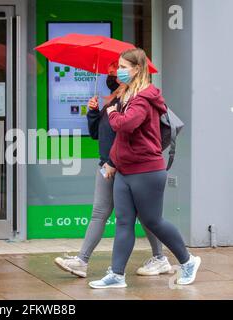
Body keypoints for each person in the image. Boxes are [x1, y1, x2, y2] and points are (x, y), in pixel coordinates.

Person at [88, 48, 201, 289]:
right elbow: (122, 140)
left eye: (123, 67)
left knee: (153, 221)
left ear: (137, 69)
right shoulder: (126, 95)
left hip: (147, 170)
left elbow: (126, 125)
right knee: (124, 222)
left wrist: (111, 112)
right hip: (125, 171)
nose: (118, 71)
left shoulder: (145, 97)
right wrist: (112, 162)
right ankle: (117, 275)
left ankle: (188, 260)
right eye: (118, 66)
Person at [54, 62, 172, 278]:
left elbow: (127, 134)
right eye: (113, 70)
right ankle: (82, 260)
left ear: (132, 72)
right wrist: (92, 112)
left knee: (146, 216)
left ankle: (160, 258)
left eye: (118, 70)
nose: (113, 74)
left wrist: (113, 162)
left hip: (122, 166)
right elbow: (98, 134)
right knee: (102, 212)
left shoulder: (131, 101)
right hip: (107, 164)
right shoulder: (112, 100)